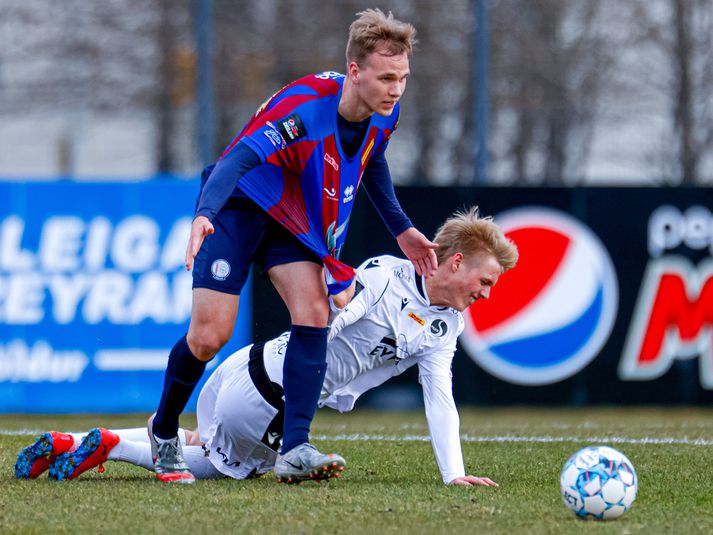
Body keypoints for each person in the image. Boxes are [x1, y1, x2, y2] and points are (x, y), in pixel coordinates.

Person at [16, 208, 518, 486]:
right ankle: (116, 447)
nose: (486, 293)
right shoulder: (386, 277)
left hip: (247, 366)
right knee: (221, 466)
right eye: (487, 280)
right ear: (454, 264)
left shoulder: (444, 326)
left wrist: (455, 474)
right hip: (270, 395)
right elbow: (334, 321)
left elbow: (440, 398)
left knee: (205, 441)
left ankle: (80, 438)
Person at [149, 8, 439, 484]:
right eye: (386, 77)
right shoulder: (305, 110)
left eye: (403, 77)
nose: (396, 88)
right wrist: (205, 212)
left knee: (314, 312)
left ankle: (296, 447)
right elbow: (239, 156)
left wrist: (402, 228)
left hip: (294, 220)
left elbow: (373, 158)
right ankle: (164, 432)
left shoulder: (387, 113)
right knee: (208, 337)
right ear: (355, 71)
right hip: (242, 206)